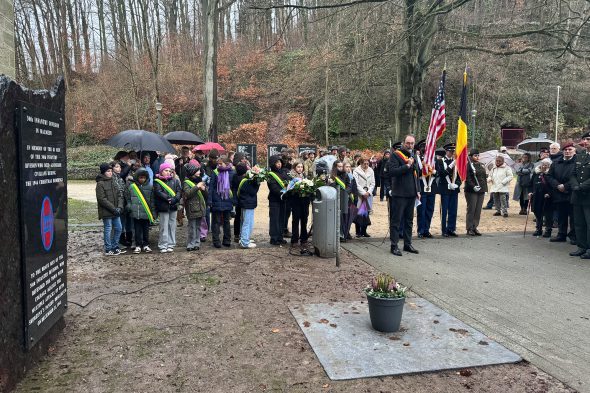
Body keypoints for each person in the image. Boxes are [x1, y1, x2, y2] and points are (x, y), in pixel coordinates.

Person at [387, 135, 420, 256]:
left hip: (411, 193)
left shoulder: (413, 155)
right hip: (399, 193)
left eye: (412, 143)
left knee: (409, 220)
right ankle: (394, 245)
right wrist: (406, 166)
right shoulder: (396, 155)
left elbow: (416, 174)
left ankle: (407, 243)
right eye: (408, 143)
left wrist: (418, 190)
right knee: (396, 221)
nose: (410, 145)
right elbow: (392, 172)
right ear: (403, 143)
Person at [546, 144, 577, 243]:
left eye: (570, 149)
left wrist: (565, 186)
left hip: (572, 192)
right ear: (562, 151)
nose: (567, 151)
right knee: (561, 215)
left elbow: (577, 177)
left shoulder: (577, 162)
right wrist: (557, 185)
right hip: (558, 192)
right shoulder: (555, 163)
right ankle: (561, 234)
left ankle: (573, 236)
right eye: (565, 150)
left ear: (574, 151)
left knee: (573, 216)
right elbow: (549, 176)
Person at [96, 163, 126, 256]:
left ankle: (115, 246)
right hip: (107, 211)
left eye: (111, 171)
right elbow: (101, 199)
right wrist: (113, 209)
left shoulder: (113, 181)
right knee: (108, 228)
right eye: (108, 171)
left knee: (119, 228)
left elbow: (119, 195)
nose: (110, 173)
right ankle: (108, 248)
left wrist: (120, 207)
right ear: (103, 172)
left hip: (116, 210)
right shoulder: (100, 184)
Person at [569, 132, 590, 258]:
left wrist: (581, 186)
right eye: (585, 139)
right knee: (579, 222)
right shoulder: (580, 155)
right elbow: (572, 173)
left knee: (589, 224)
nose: (585, 141)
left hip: (588, 194)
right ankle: (581, 246)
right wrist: (575, 185)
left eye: (588, 139)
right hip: (578, 195)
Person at [153, 162, 182, 252]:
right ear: (161, 171)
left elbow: (179, 192)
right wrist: (168, 199)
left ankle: (171, 243)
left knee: (172, 225)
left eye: (169, 171)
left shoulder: (175, 181)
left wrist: (175, 199)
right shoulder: (157, 181)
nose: (168, 172)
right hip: (163, 206)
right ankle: (163, 244)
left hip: (173, 206)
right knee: (163, 226)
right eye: (166, 170)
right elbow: (158, 191)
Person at [286, 160, 313, 254]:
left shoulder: (305, 177)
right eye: (298, 167)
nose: (300, 169)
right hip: (296, 202)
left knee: (304, 220)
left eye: (301, 167)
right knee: (295, 220)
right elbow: (289, 190)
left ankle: (304, 239)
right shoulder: (291, 177)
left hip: (304, 202)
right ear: (294, 168)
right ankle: (294, 240)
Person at [231, 163, 260, 249]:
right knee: (247, 223)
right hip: (248, 203)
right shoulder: (245, 181)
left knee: (243, 222)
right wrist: (257, 182)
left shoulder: (236, 178)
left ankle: (243, 238)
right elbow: (252, 191)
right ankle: (244, 242)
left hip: (243, 203)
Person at [208, 156, 234, 248]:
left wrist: (234, 200)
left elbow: (234, 187)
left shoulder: (232, 172)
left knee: (227, 221)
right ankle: (216, 241)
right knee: (216, 221)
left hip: (227, 199)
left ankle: (227, 240)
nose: (218, 165)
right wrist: (210, 200)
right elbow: (211, 187)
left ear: (226, 163)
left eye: (220, 163)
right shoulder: (215, 172)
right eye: (218, 163)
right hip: (216, 199)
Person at [126, 168, 154, 253]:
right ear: (137, 178)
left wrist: (152, 212)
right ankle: (138, 245)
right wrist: (130, 206)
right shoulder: (132, 187)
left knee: (146, 230)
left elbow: (152, 201)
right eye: (140, 177)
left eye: (144, 178)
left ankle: (146, 244)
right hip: (136, 213)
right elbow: (128, 198)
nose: (142, 179)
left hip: (146, 213)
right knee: (137, 230)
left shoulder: (150, 187)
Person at [436, 143, 461, 237]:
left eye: (453, 151)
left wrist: (457, 184)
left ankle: (451, 228)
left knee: (453, 210)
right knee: (444, 210)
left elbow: (460, 176)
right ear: (446, 151)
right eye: (451, 151)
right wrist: (451, 166)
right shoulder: (440, 161)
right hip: (445, 189)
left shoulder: (456, 162)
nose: (452, 153)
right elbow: (442, 174)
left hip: (454, 189)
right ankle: (444, 230)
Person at [183, 163, 208, 251]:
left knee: (198, 227)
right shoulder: (186, 182)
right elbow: (187, 194)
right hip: (191, 209)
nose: (199, 172)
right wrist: (197, 187)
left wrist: (204, 190)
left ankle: (197, 243)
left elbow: (206, 195)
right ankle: (190, 244)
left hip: (200, 208)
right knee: (191, 227)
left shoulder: (200, 180)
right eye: (197, 171)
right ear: (192, 172)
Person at [415, 140, 437, 238]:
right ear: (420, 148)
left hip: (431, 187)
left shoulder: (433, 159)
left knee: (429, 210)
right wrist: (424, 168)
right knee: (421, 210)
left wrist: (435, 171)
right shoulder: (417, 159)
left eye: (427, 146)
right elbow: (415, 173)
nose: (425, 149)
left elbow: (439, 171)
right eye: (423, 147)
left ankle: (427, 230)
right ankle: (420, 230)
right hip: (422, 187)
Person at [464, 149, 487, 236]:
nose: (477, 157)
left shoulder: (481, 165)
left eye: (478, 155)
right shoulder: (468, 165)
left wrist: (485, 188)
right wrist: (473, 186)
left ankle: (475, 227)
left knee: (478, 210)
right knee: (472, 209)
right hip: (471, 190)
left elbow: (483, 177)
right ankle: (469, 228)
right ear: (471, 156)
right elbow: (468, 178)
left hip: (481, 189)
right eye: (475, 155)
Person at [267, 155, 288, 245]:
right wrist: (282, 192)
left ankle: (280, 236)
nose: (279, 164)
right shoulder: (270, 175)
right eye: (277, 163)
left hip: (283, 199)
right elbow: (273, 188)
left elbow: (288, 182)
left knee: (282, 218)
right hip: (274, 199)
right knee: (274, 219)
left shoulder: (284, 172)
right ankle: (274, 237)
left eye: (280, 162)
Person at [529, 158, 553, 237]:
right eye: (543, 164)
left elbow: (553, 185)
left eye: (546, 165)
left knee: (547, 214)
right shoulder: (536, 173)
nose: (544, 166)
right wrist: (530, 192)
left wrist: (549, 193)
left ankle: (548, 230)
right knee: (537, 213)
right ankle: (538, 229)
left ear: (549, 166)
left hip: (547, 197)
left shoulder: (550, 174)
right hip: (536, 196)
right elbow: (531, 184)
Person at [331, 160, 352, 242]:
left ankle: (342, 234)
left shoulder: (345, 175)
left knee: (343, 216)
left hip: (344, 198)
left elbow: (349, 185)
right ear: (335, 167)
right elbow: (330, 186)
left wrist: (346, 191)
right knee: (336, 215)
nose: (340, 168)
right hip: (335, 197)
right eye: (338, 166)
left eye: (341, 166)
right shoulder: (332, 176)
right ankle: (335, 234)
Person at [353, 157, 375, 237]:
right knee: (359, 212)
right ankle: (358, 232)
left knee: (366, 212)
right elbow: (356, 183)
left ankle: (364, 231)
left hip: (368, 194)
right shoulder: (356, 171)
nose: (366, 165)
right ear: (361, 163)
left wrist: (368, 192)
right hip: (360, 194)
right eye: (364, 164)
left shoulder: (371, 170)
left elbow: (373, 183)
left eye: (367, 164)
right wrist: (363, 193)